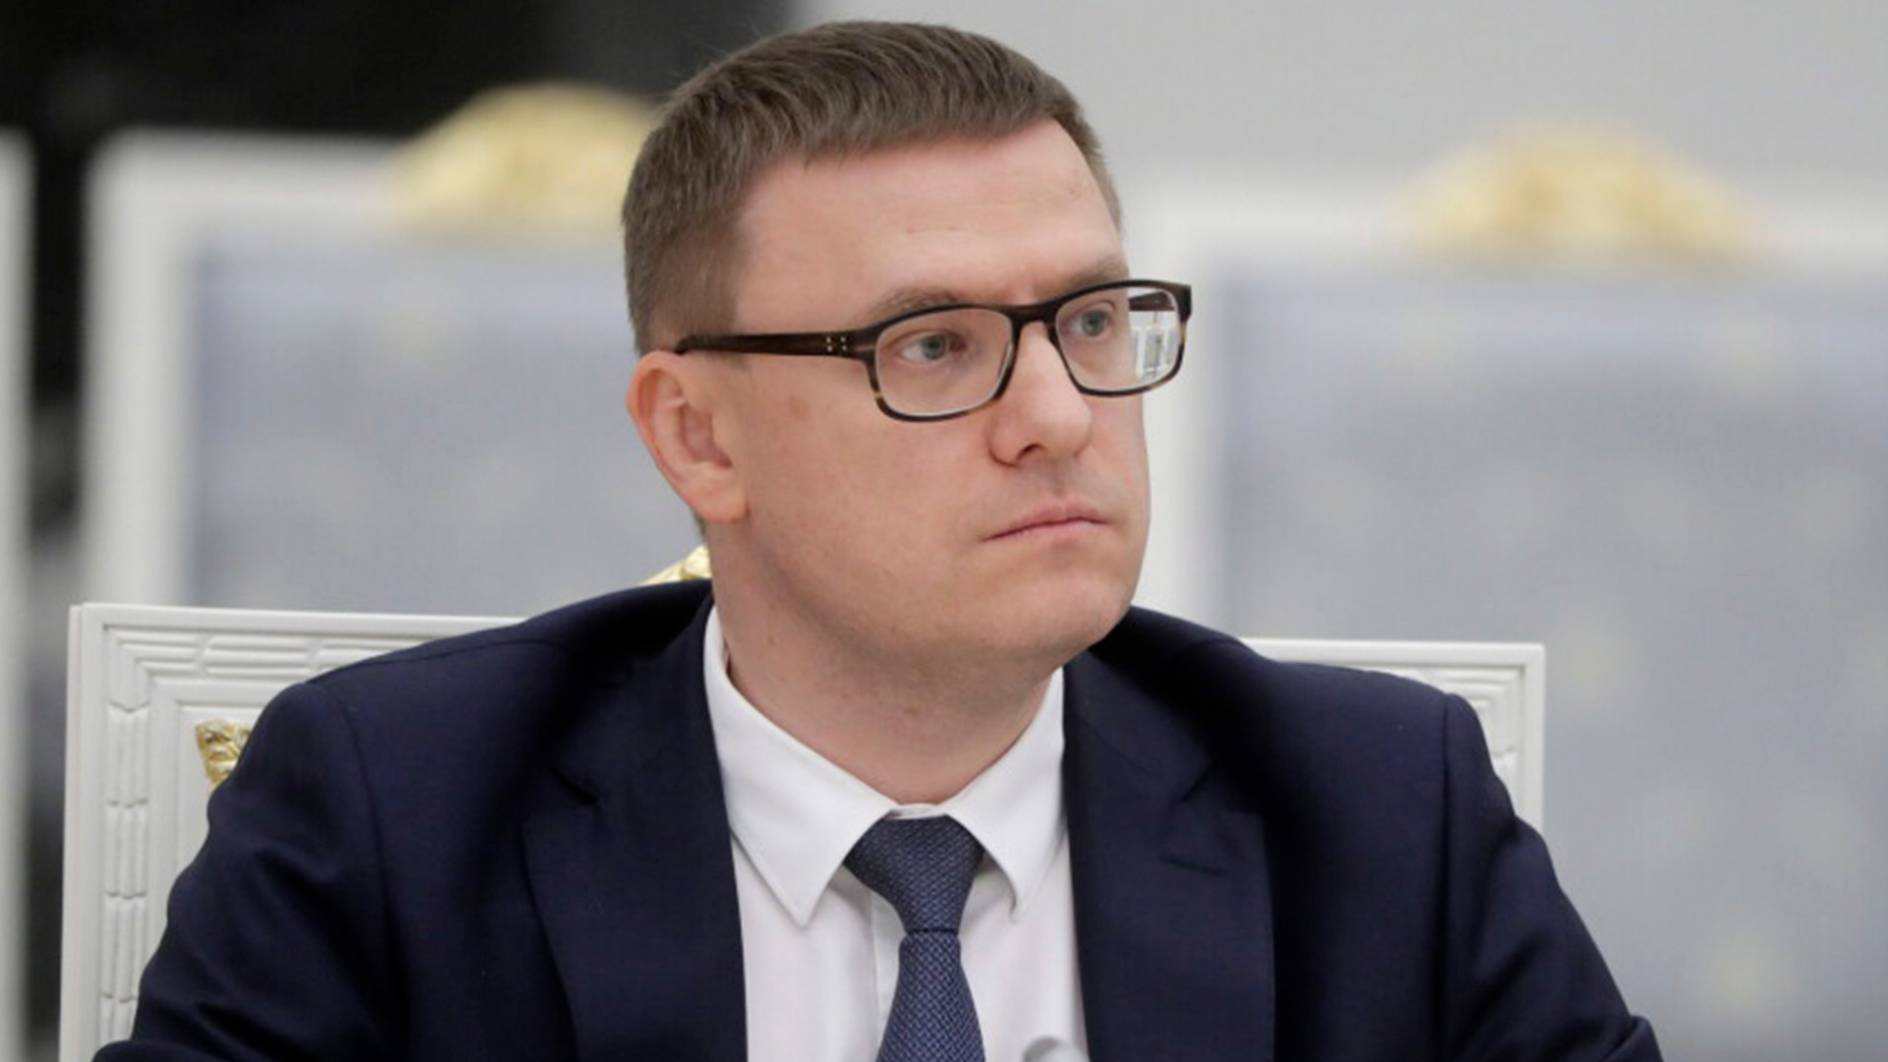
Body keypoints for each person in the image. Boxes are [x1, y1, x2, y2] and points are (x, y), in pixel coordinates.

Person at [103, 21, 1661, 1062]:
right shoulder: (391, 817)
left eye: (1093, 319)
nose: (1059, 412)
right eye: (933, 345)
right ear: (698, 436)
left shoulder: (1384, 813)